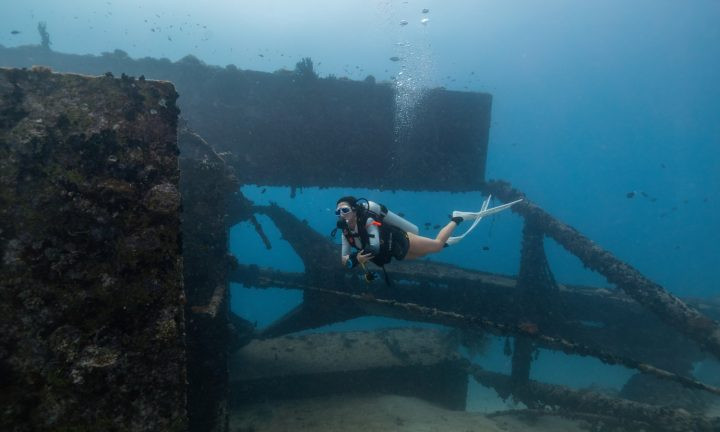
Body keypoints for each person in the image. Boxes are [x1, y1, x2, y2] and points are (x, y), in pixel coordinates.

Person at [333, 195, 521, 280]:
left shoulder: (368, 221)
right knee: (422, 255)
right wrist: (350, 260)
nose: (342, 214)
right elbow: (343, 259)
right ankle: (445, 243)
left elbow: (373, 247)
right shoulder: (346, 233)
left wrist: (355, 260)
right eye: (338, 211)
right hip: (394, 253)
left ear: (354, 209)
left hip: (401, 240)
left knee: (436, 246)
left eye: (345, 210)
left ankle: (458, 217)